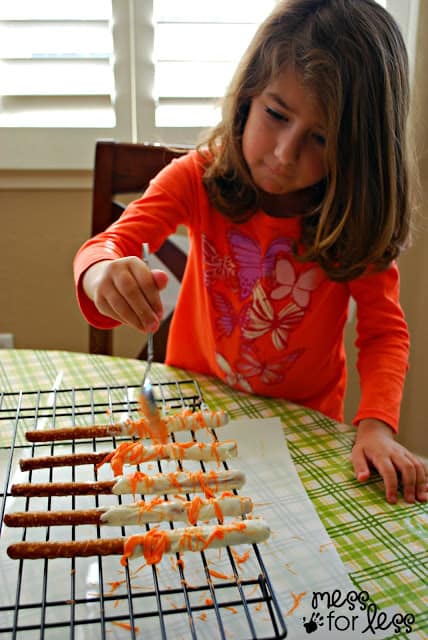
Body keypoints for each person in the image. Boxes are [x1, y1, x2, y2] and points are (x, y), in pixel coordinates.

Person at [74, 0, 427, 504]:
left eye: (321, 138)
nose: (285, 153)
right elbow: (106, 246)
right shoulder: (196, 179)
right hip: (190, 414)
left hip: (302, 435)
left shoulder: (354, 220)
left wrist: (376, 427)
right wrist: (100, 273)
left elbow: (384, 333)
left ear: (359, 149)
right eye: (276, 114)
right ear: (246, 98)